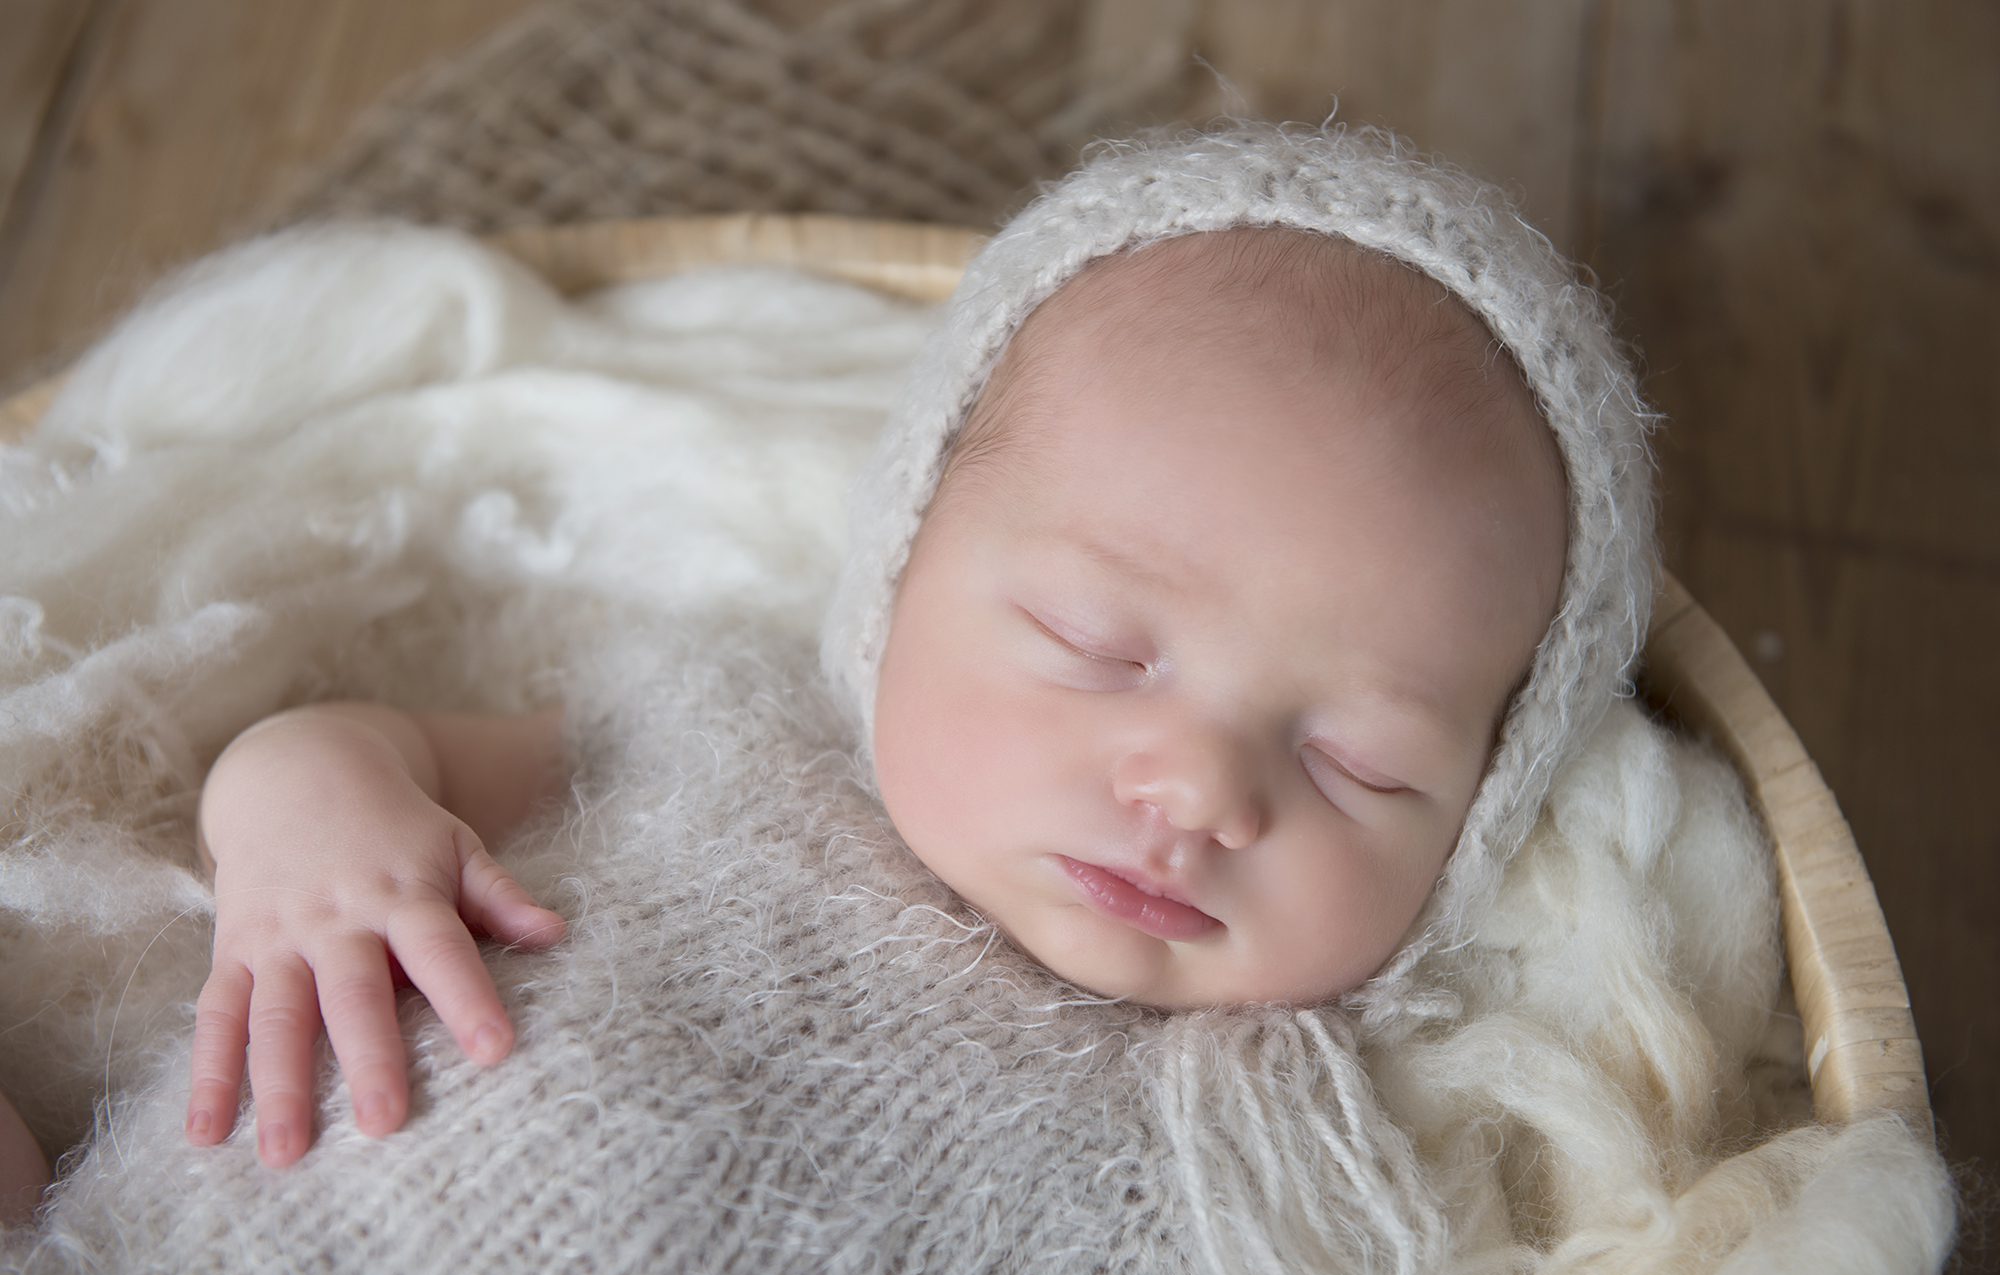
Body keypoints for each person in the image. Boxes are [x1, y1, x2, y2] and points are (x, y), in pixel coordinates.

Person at [173, 129, 1636, 1172]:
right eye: (1097, 644)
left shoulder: (1292, 1125)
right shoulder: (718, 724)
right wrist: (311, 836)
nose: (1196, 790)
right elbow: (355, 751)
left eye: (1357, 765)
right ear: (901, 569)